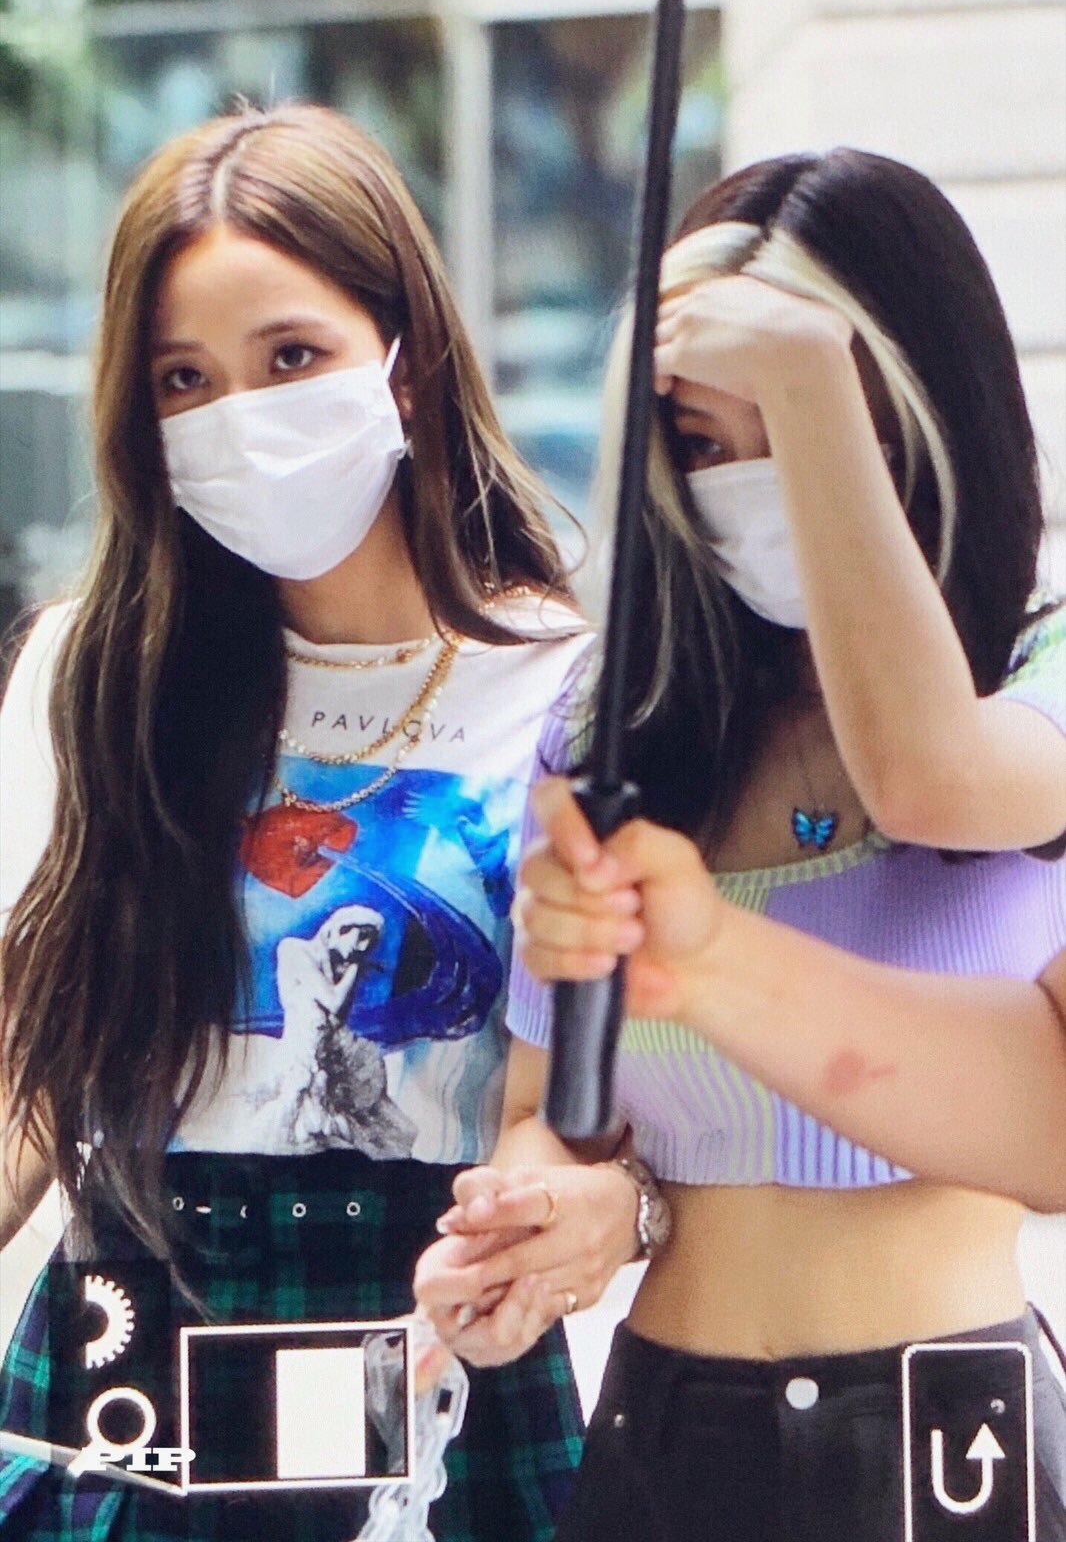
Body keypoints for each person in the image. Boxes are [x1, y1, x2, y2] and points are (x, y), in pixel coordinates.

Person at [413, 148, 1066, 1540]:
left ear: (922, 418)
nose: (753, 487)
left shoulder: (1039, 677)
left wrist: (808, 380)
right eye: (709, 446)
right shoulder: (620, 724)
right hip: (666, 1434)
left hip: (951, 1443)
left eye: (815, 429)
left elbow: (930, 779)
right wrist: (543, 1219)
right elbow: (556, 1106)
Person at [0, 104, 591, 1542]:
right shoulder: (94, 672)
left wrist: (553, 1228)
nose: (239, 418)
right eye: (183, 380)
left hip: (429, 1354)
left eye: (290, 357)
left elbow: (572, 1104)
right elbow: (26, 1067)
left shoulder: (570, 689)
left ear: (406, 359)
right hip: (126, 1352)